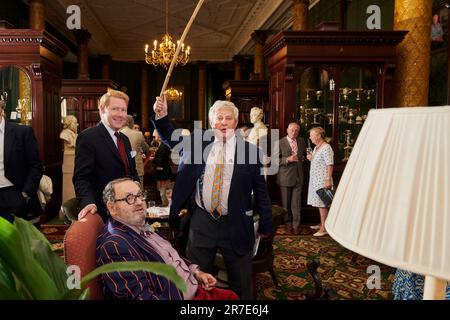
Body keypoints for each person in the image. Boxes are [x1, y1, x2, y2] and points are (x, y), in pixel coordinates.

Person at [152, 96, 273, 299]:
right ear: (211, 122)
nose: (223, 122)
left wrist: (266, 225)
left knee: (242, 284)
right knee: (195, 280)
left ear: (235, 122)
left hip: (236, 222)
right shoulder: (198, 142)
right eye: (219, 118)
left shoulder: (251, 152)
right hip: (202, 221)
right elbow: (170, 138)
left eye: (228, 118)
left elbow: (261, 190)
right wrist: (162, 115)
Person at [96, 177, 239, 300]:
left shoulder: (140, 225)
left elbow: (171, 255)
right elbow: (140, 296)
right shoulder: (115, 244)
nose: (139, 202)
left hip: (196, 288)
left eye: (140, 195)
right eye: (130, 198)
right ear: (112, 207)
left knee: (232, 296)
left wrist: (196, 273)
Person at [73, 89, 139, 221]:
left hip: (127, 210)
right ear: (102, 110)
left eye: (123, 110)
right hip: (103, 212)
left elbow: (131, 173)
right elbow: (81, 178)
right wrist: (88, 203)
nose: (120, 114)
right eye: (115, 109)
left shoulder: (124, 139)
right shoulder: (88, 138)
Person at [0, 99, 42, 223]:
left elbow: (36, 165)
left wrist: (25, 193)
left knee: (19, 240)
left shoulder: (22, 132)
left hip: (14, 194)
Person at [275, 122, 305, 235]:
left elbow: (303, 156)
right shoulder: (279, 142)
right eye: (292, 130)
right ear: (287, 130)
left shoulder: (301, 141)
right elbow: (274, 161)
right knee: (286, 204)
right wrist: (287, 159)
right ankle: (288, 223)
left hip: (299, 176)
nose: (294, 132)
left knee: (296, 203)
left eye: (296, 130)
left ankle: (296, 225)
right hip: (285, 178)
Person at [306, 127, 334, 237]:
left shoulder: (326, 147)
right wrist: (311, 158)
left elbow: (329, 164)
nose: (310, 137)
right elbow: (318, 161)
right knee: (319, 203)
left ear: (318, 136)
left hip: (323, 180)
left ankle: (324, 228)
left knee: (323, 204)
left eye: (312, 135)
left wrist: (328, 179)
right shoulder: (317, 147)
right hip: (315, 180)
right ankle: (322, 223)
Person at [121, 115, 150, 188]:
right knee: (139, 191)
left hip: (122, 168)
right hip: (137, 167)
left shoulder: (117, 133)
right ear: (132, 123)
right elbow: (146, 148)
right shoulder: (138, 134)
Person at [60, 115, 78, 202]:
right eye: (75, 123)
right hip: (68, 158)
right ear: (69, 124)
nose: (77, 125)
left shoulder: (74, 134)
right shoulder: (64, 134)